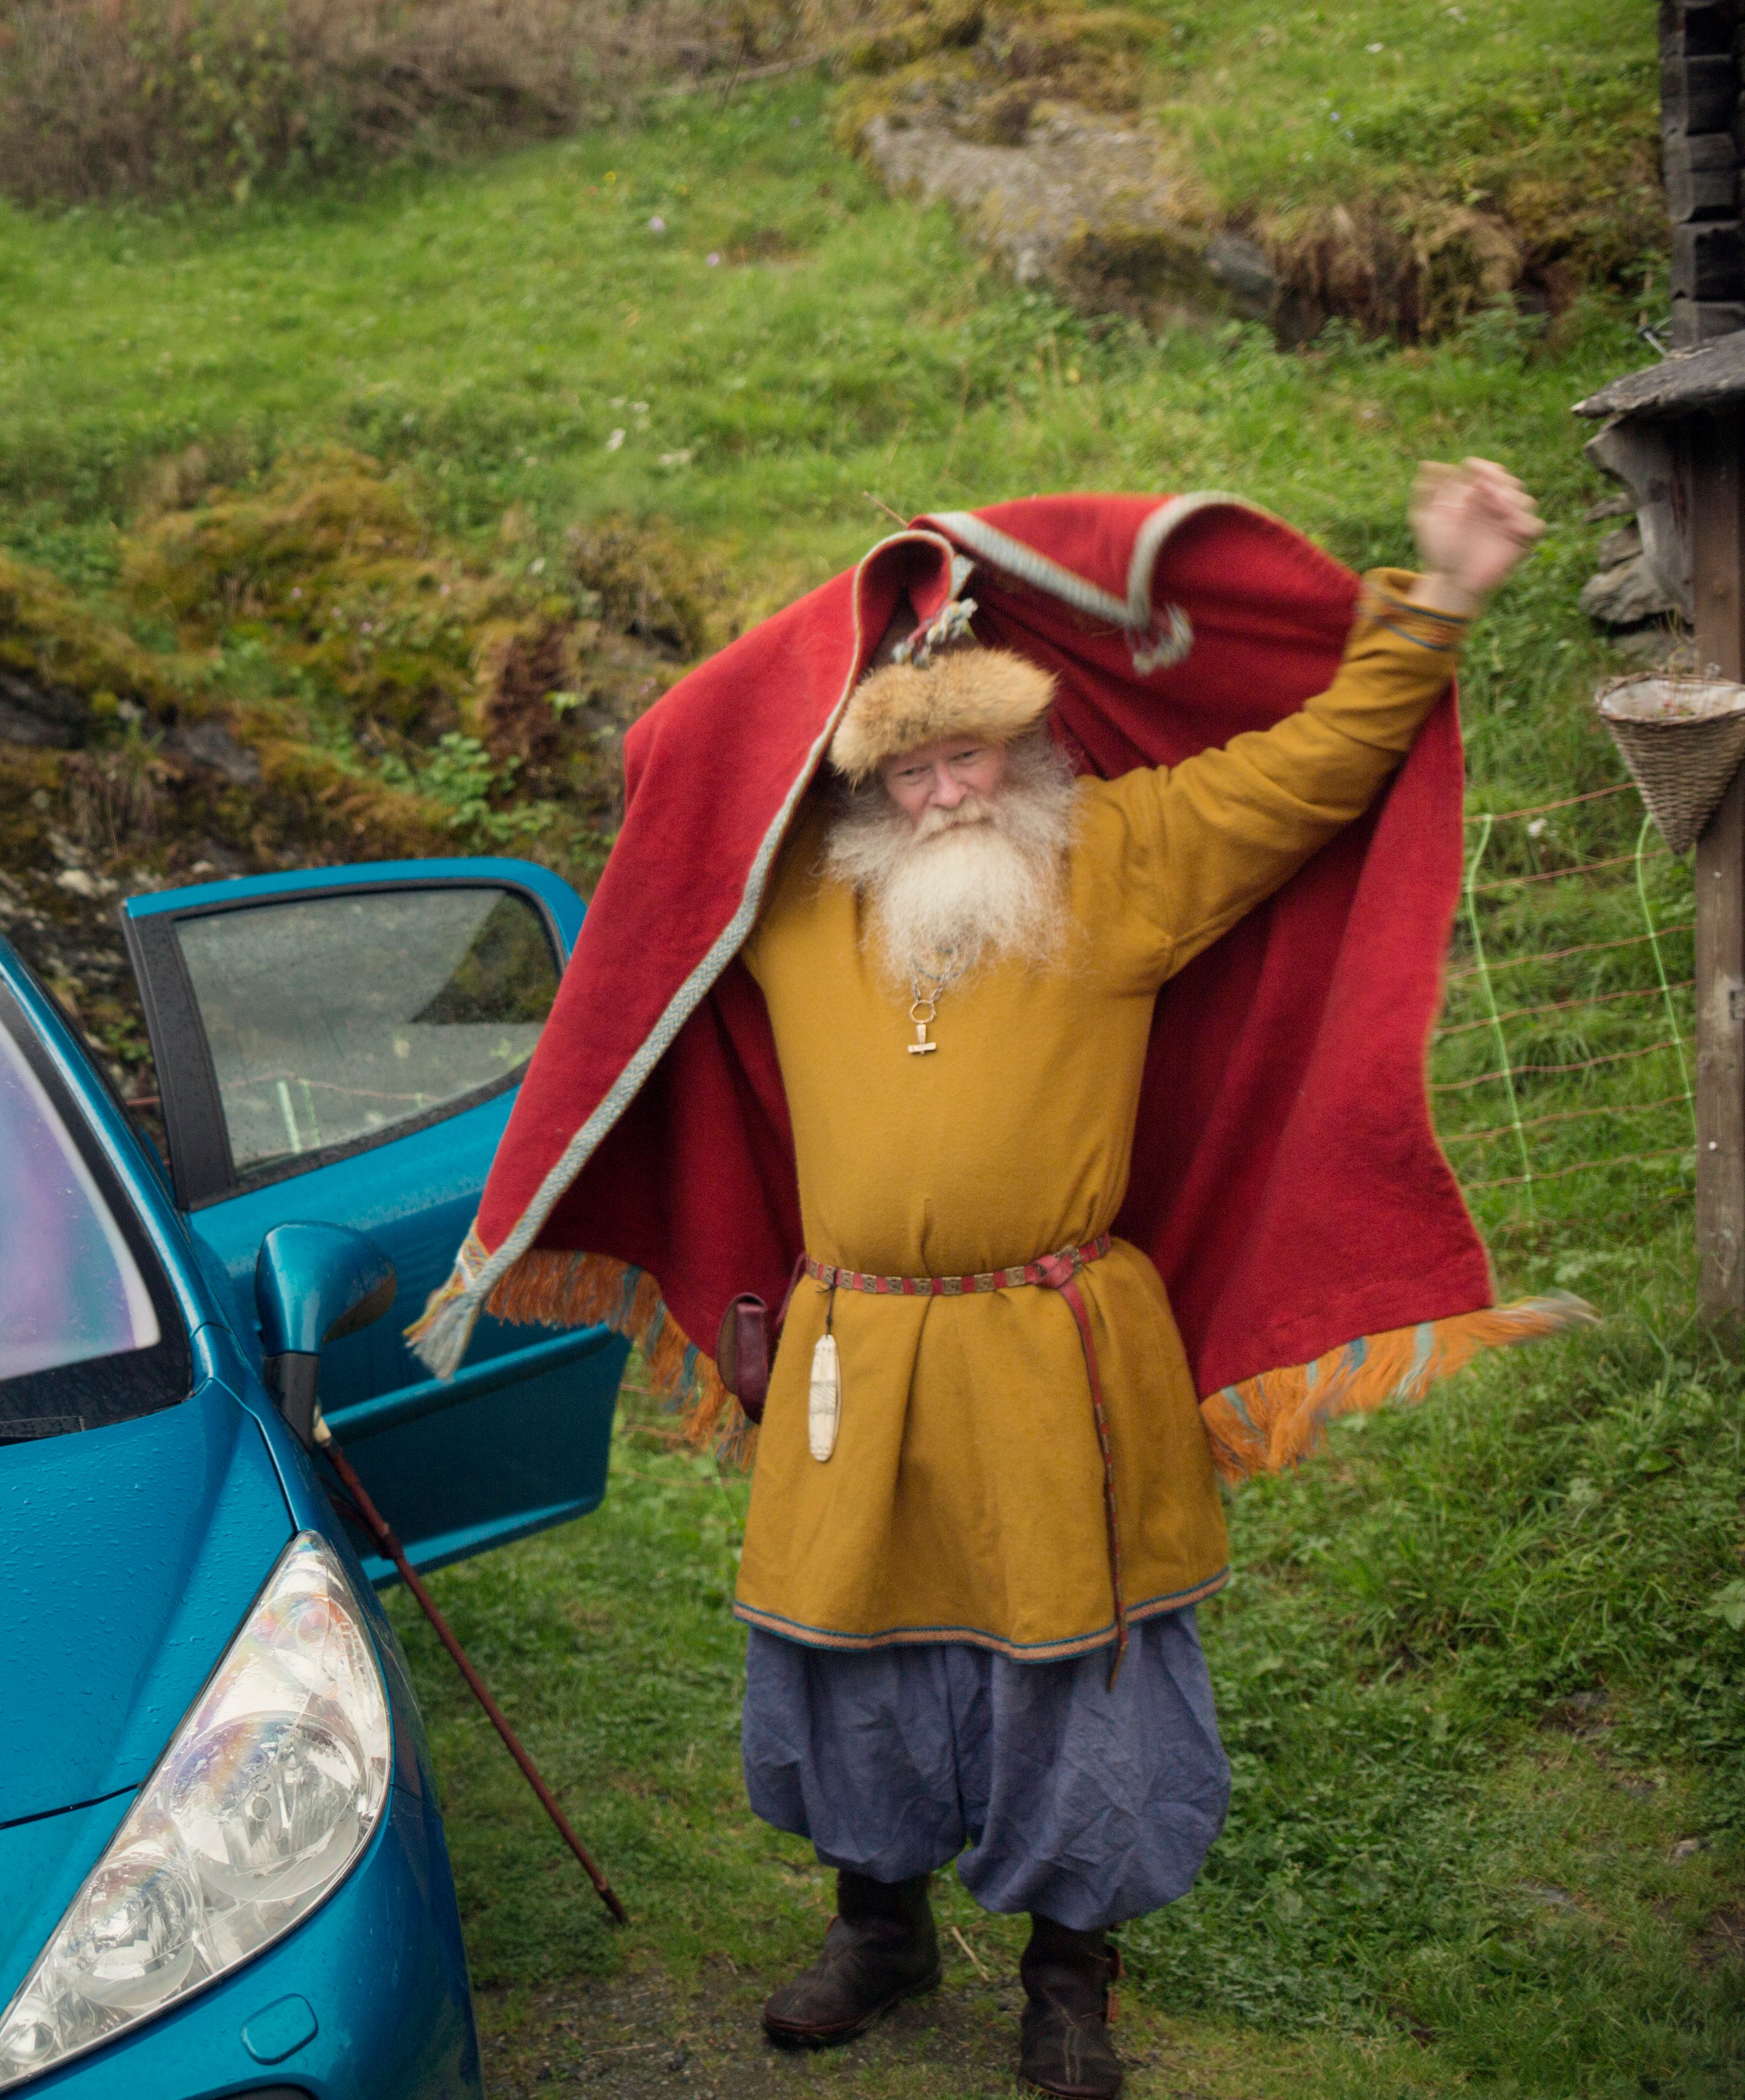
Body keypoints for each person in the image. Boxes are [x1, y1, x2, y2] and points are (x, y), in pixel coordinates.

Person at [406, 463, 1566, 2099]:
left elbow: (1322, 765)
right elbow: (683, 755)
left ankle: (1069, 1979)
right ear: (862, 777)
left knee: (1073, 1666)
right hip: (856, 1349)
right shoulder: (797, 895)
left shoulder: (1124, 858)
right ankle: (876, 1929)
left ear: (1031, 746)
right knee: (845, 1649)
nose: (950, 789)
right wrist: (873, 608)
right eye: (912, 760)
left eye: (977, 751)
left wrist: (1440, 598)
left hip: (1056, 1347)